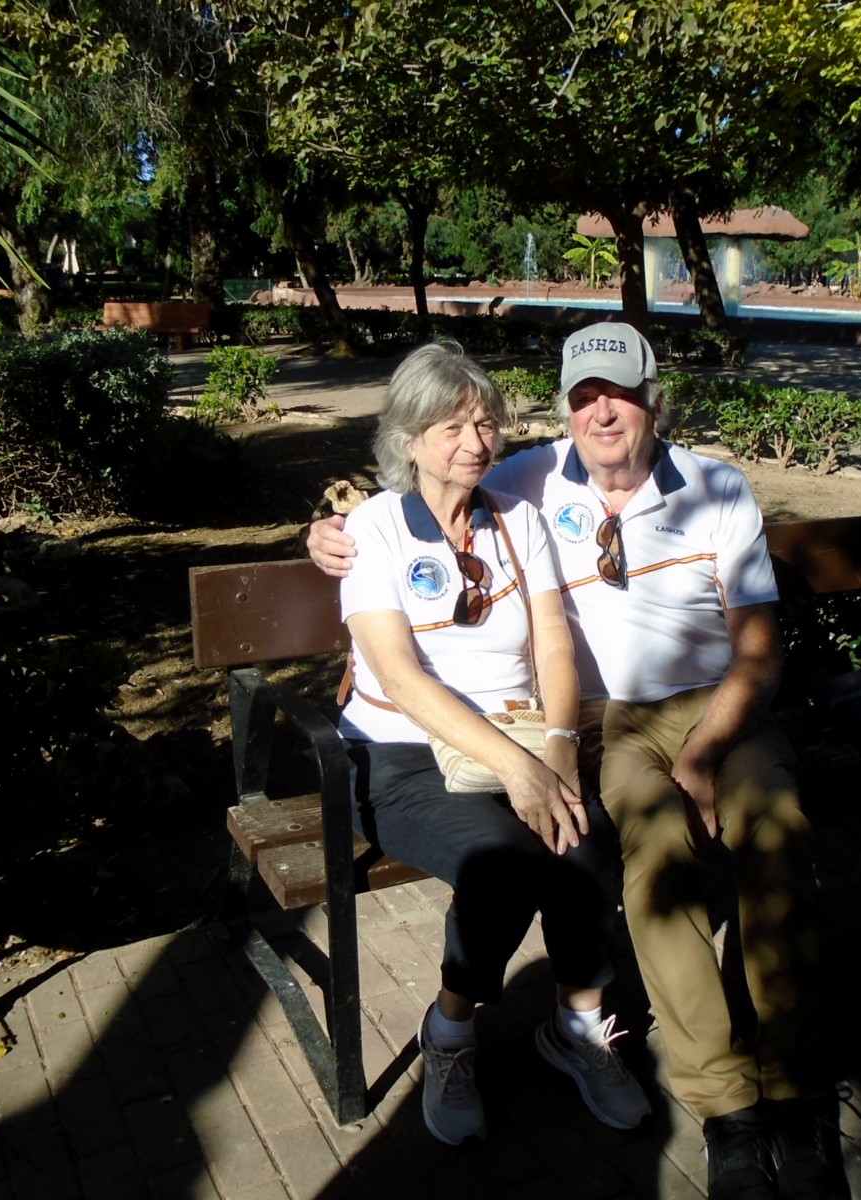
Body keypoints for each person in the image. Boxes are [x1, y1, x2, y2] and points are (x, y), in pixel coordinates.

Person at [311, 323, 847, 1200]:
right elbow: (401, 638)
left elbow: (605, 643)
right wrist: (325, 531)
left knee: (710, 837)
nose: (603, 413)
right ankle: (698, 1102)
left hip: (643, 721)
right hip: (505, 741)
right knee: (585, 858)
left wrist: (590, 749)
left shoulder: (639, 494)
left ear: (654, 401)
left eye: (621, 394)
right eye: (584, 398)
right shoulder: (494, 490)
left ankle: (757, 1079)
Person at [336, 341, 650, 1146]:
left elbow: (553, 641)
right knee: (502, 864)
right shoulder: (374, 530)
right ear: (408, 440)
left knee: (584, 841)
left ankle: (577, 1028)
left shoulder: (517, 519)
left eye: (485, 423)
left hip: (516, 733)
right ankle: (449, 1033)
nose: (475, 442)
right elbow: (399, 677)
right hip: (402, 754)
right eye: (451, 427)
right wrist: (520, 770)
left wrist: (557, 748)